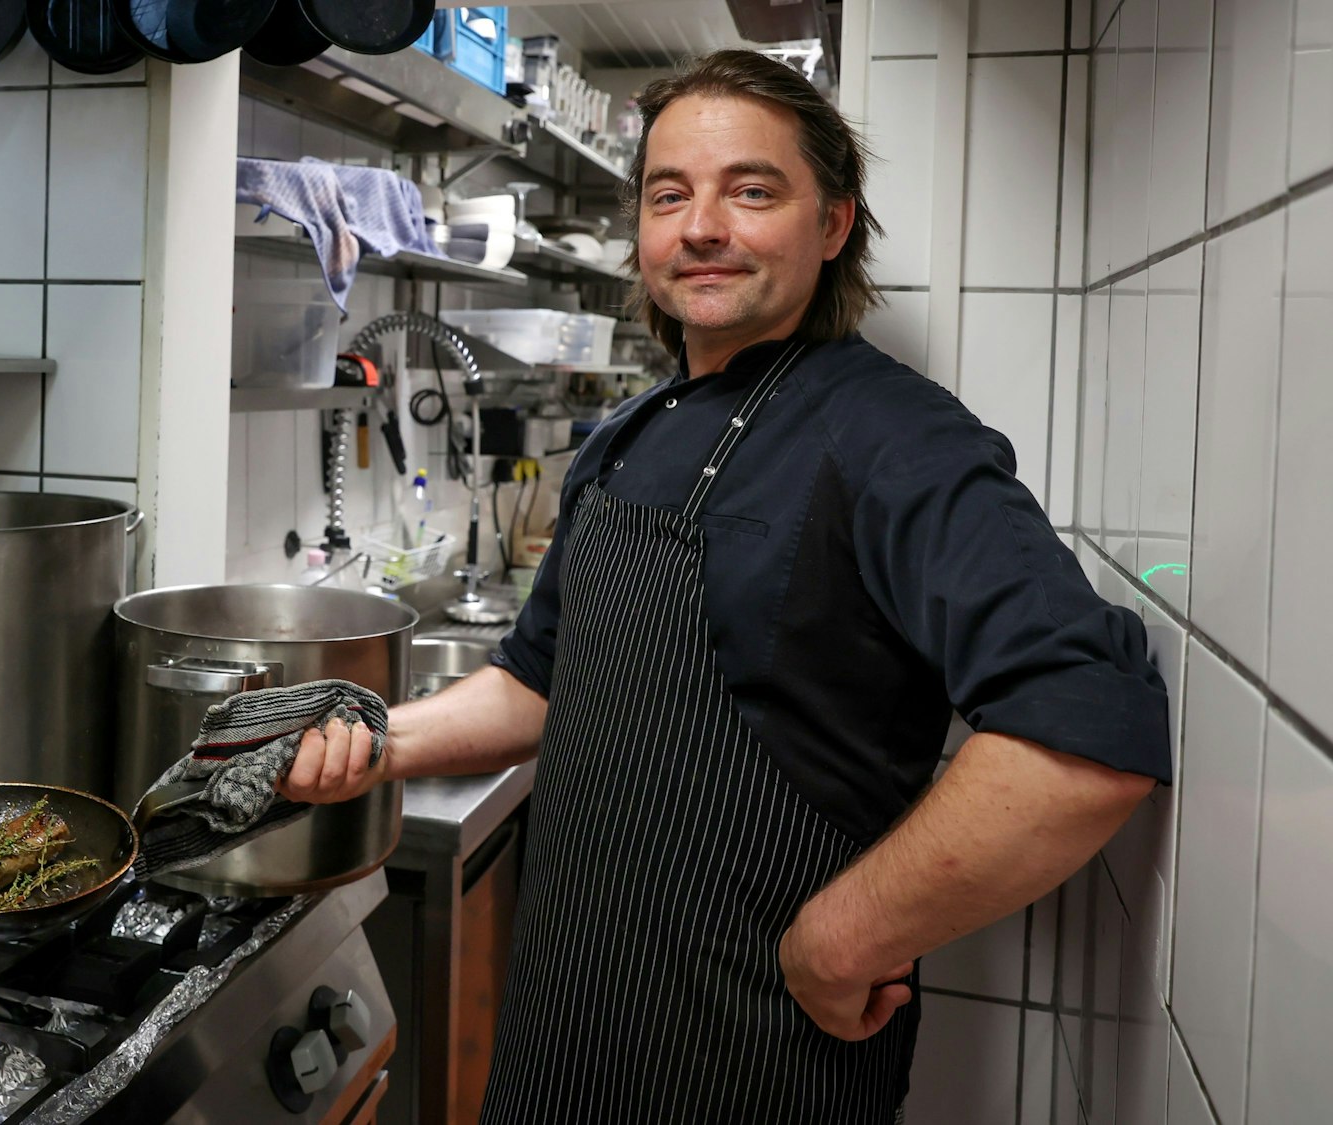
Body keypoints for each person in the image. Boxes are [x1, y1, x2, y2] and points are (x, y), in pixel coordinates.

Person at [277, 49, 1170, 1124]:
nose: (699, 226)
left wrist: (844, 939)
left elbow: (1081, 732)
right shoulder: (623, 437)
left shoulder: (889, 436)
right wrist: (378, 742)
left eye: (750, 191)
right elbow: (540, 680)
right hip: (568, 1025)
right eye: (669, 195)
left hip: (752, 1053)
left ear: (831, 225)